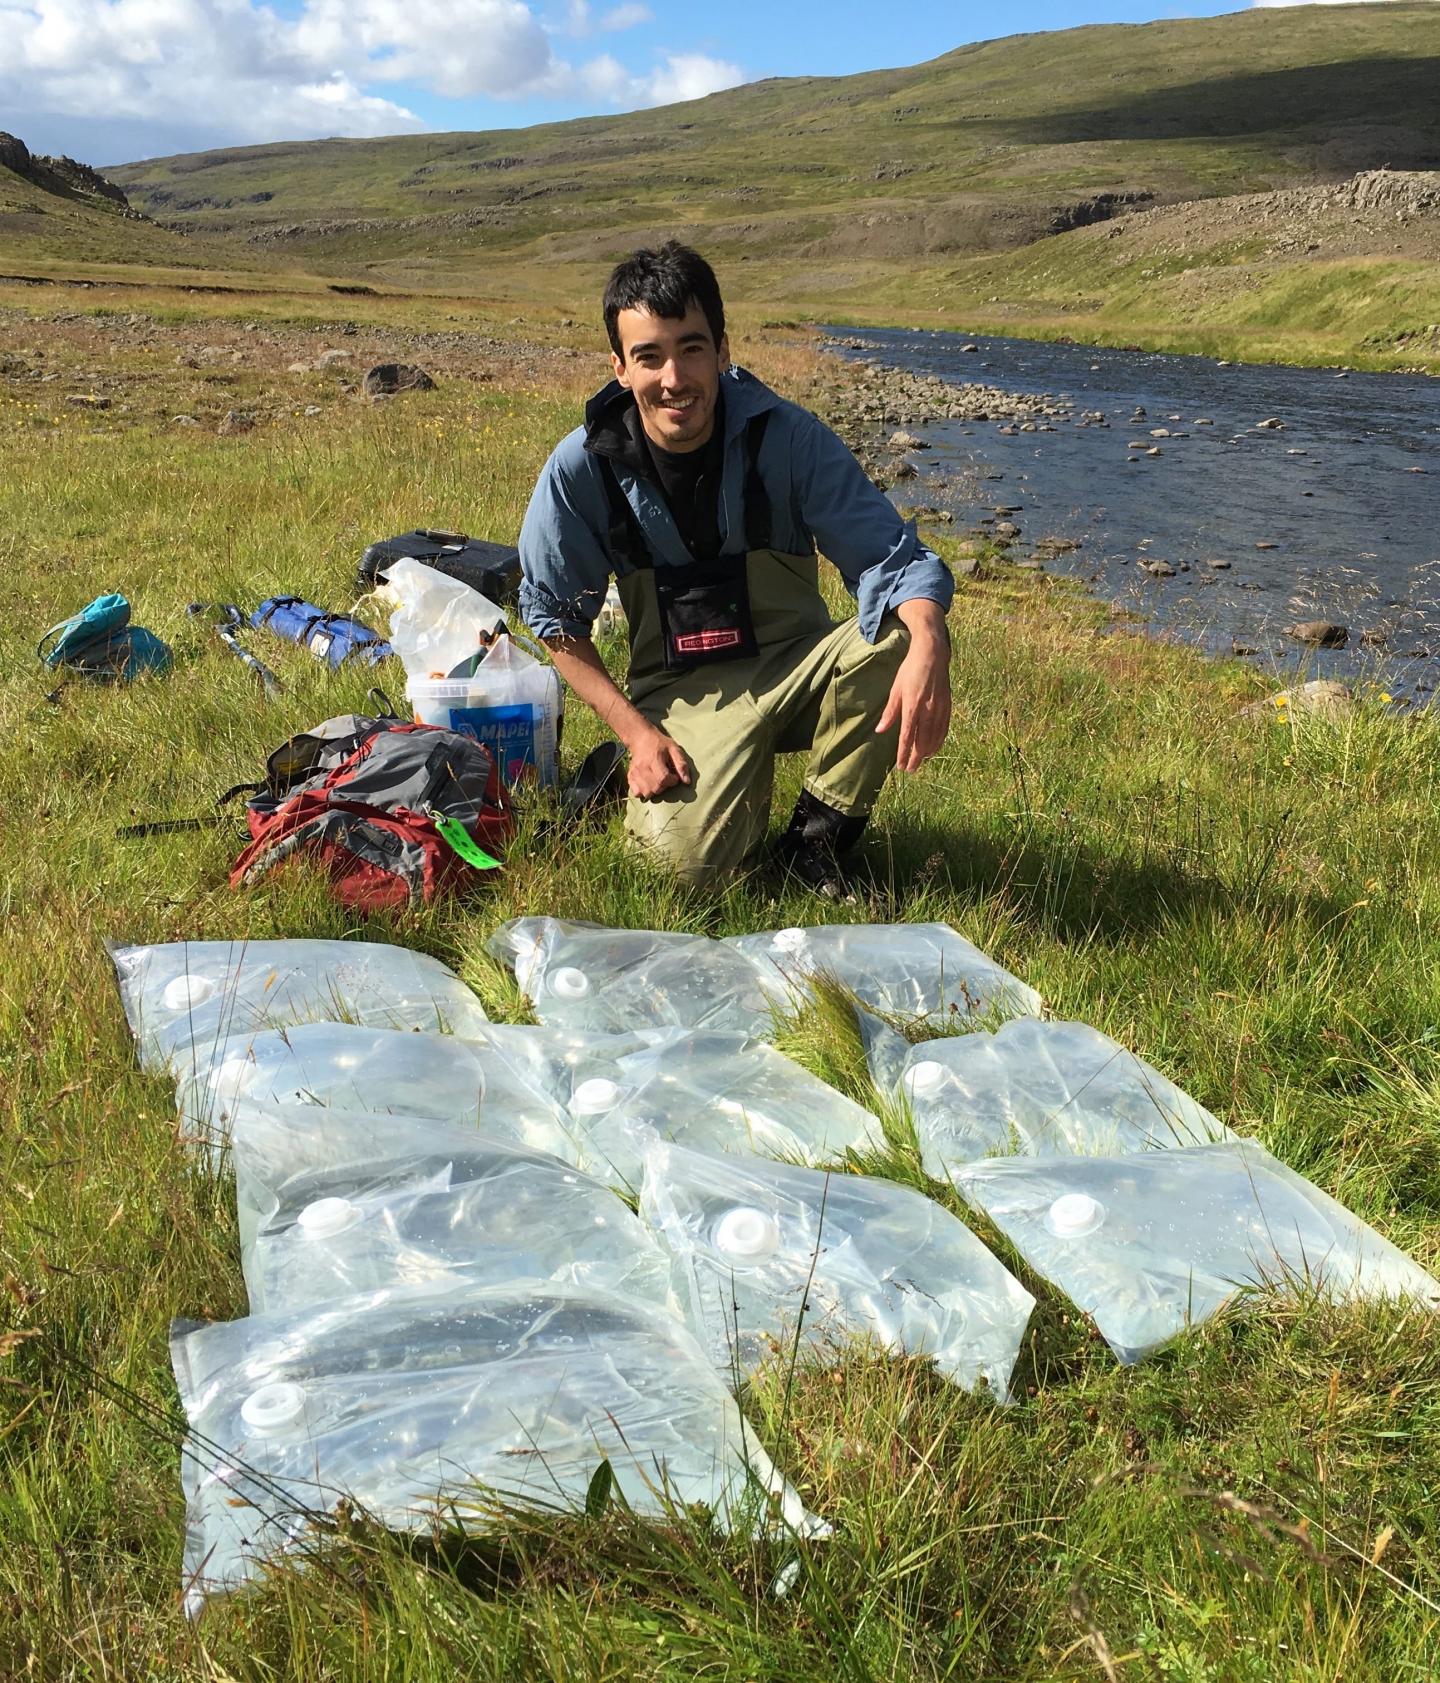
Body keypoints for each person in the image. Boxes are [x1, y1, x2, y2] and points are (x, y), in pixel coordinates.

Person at [518, 240, 954, 892]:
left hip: (794, 668)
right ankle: (675, 786)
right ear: (619, 368)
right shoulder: (582, 468)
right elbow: (555, 620)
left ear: (723, 351)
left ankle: (817, 846)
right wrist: (637, 735)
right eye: (649, 356)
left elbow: (893, 560)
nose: (675, 378)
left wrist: (930, 638)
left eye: (692, 348)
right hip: (681, 694)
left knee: (902, 631)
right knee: (677, 874)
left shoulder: (788, 438)